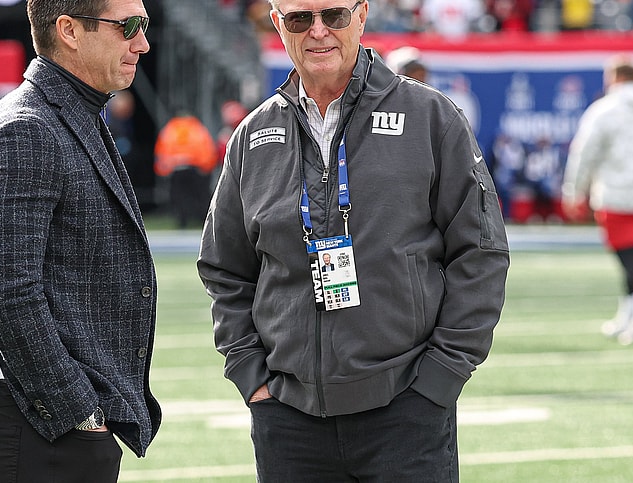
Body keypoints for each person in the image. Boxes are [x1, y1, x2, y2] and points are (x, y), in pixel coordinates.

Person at [197, 1, 510, 481]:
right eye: (301, 18)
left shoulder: (430, 116)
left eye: (334, 15)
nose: (318, 31)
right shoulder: (253, 135)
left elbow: (481, 249)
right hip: (288, 419)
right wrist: (251, 376)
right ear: (278, 24)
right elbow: (225, 267)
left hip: (406, 412)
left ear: (362, 15)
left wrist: (440, 379)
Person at [0, 1, 161, 481]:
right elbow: (7, 294)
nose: (143, 42)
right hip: (37, 426)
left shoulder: (69, 114)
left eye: (143, 25)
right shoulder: (28, 129)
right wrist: (79, 413)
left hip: (44, 425)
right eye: (128, 26)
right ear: (69, 31)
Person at [561, 55, 633, 345]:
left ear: (613, 77)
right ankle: (629, 312)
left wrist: (574, 191)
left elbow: (584, 153)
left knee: (629, 256)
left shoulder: (605, 109)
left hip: (617, 194)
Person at [154, 112, 217, 228]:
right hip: (195, 168)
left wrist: (163, 169)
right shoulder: (198, 129)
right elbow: (206, 148)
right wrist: (206, 166)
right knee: (200, 195)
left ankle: (182, 220)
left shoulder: (169, 130)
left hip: (176, 169)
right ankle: (203, 219)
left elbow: (162, 151)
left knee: (179, 196)